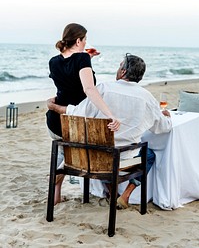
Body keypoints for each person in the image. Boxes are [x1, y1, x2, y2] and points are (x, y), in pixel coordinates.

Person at [47, 53, 172, 207]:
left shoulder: (104, 89)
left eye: (120, 66)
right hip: (121, 163)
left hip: (90, 158)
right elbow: (163, 127)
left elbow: (77, 113)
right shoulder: (146, 97)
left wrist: (54, 107)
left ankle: (113, 192)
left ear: (123, 72)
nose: (118, 69)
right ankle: (125, 195)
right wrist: (165, 116)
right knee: (149, 154)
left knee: (109, 149)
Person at [46, 23, 120, 141]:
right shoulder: (82, 58)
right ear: (78, 41)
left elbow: (70, 81)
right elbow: (89, 89)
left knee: (62, 154)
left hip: (54, 123)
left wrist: (87, 60)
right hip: (75, 122)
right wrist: (110, 115)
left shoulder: (53, 61)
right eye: (85, 39)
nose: (85, 42)